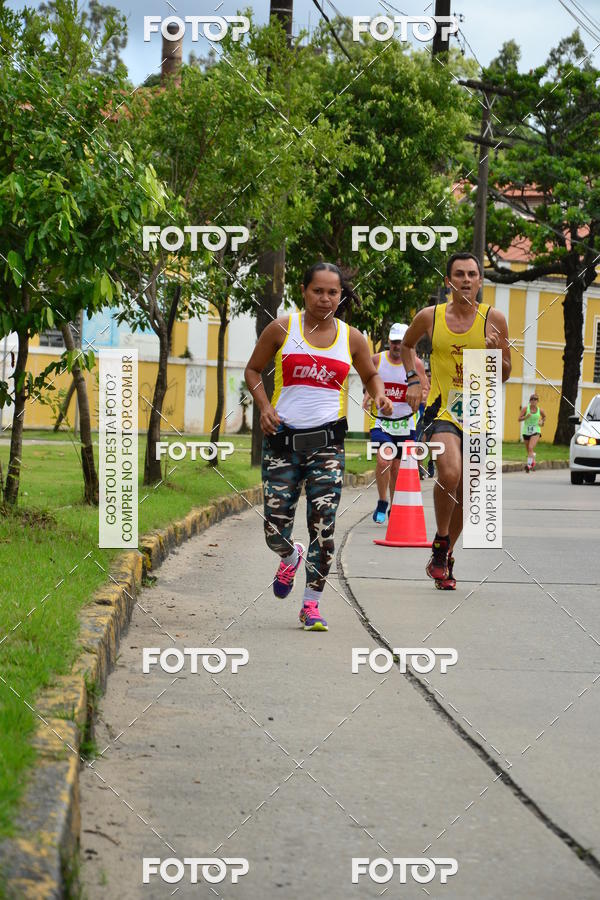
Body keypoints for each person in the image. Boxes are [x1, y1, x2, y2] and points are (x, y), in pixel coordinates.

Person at [244, 262, 393, 631]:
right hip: (283, 443)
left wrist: (379, 395)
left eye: (333, 292)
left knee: (323, 529)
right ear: (304, 291)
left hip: (327, 447)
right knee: (274, 531)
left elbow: (371, 374)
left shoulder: (352, 338)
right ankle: (289, 557)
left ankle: (311, 605)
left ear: (341, 296)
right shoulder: (283, 328)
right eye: (318, 291)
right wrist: (264, 407)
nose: (325, 299)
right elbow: (252, 370)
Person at [401, 252, 512, 590]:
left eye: (472, 274)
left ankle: (445, 552)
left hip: (479, 412)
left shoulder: (494, 319)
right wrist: (413, 379)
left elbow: (505, 373)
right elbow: (407, 346)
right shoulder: (430, 317)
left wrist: (493, 356)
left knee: (468, 491)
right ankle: (441, 543)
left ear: (480, 280)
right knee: (450, 474)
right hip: (442, 410)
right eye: (460, 274)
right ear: (448, 281)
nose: (466, 280)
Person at [362, 323, 427, 522]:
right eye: (394, 342)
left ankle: (394, 505)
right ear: (389, 341)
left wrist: (421, 398)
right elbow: (368, 380)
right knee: (384, 460)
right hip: (381, 422)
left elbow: (425, 389)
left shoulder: (416, 364)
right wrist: (368, 394)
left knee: (397, 467)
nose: (397, 346)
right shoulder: (377, 360)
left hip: (405, 423)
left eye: (401, 342)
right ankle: (382, 501)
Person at [518, 394, 545, 471]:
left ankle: (529, 465)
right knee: (529, 450)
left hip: (536, 431)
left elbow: (544, 417)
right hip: (526, 431)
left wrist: (542, 421)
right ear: (530, 401)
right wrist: (526, 417)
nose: (533, 401)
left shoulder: (540, 410)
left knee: (530, 447)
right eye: (532, 399)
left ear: (537, 401)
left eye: (535, 399)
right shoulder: (525, 409)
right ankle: (533, 458)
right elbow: (519, 419)